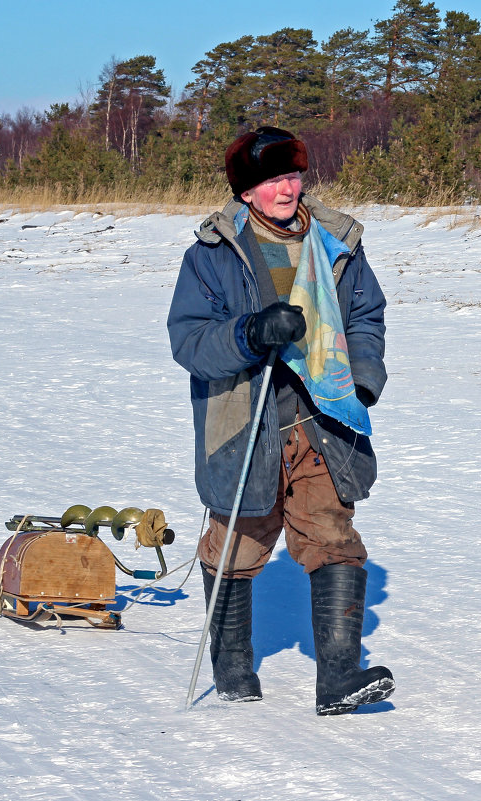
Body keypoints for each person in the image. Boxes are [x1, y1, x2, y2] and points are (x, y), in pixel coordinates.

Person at [167, 126, 394, 715]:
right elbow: (189, 340)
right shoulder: (212, 256)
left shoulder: (336, 244)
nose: (287, 187)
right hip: (245, 418)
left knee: (333, 536)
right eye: (272, 179)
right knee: (238, 542)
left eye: (292, 174)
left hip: (322, 418)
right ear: (246, 192)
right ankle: (235, 669)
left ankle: (340, 677)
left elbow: (365, 314)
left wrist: (364, 374)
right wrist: (250, 332)